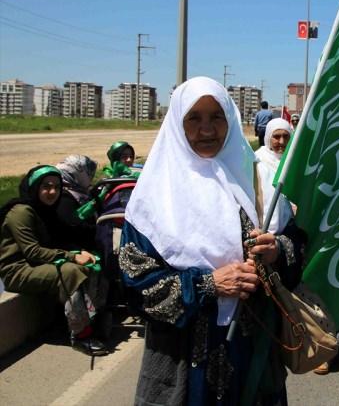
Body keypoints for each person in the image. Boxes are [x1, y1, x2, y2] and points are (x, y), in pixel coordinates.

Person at [120, 77, 304, 404]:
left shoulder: (257, 179)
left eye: (216, 117)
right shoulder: (153, 196)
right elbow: (136, 285)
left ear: (230, 120)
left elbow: (297, 247)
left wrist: (277, 251)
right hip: (181, 362)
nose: (206, 129)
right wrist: (208, 284)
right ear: (178, 123)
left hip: (253, 356)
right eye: (194, 118)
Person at [0, 165, 108, 356]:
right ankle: (81, 334)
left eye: (57, 187)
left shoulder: (47, 211)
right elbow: (33, 251)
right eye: (46, 186)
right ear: (35, 187)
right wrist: (72, 256)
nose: (52, 192)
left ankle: (93, 318)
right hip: (17, 270)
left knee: (92, 263)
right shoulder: (21, 212)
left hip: (38, 265)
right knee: (71, 271)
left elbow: (59, 241)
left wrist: (80, 252)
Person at [254, 118, 295, 234]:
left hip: (289, 225)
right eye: (276, 137)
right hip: (263, 228)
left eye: (286, 136)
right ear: (268, 138)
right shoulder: (258, 160)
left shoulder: (293, 160)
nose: (281, 142)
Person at [55, 155, 98, 252]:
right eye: (88, 172)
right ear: (79, 174)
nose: (91, 176)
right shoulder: (64, 198)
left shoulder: (77, 190)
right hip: (78, 249)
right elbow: (73, 228)